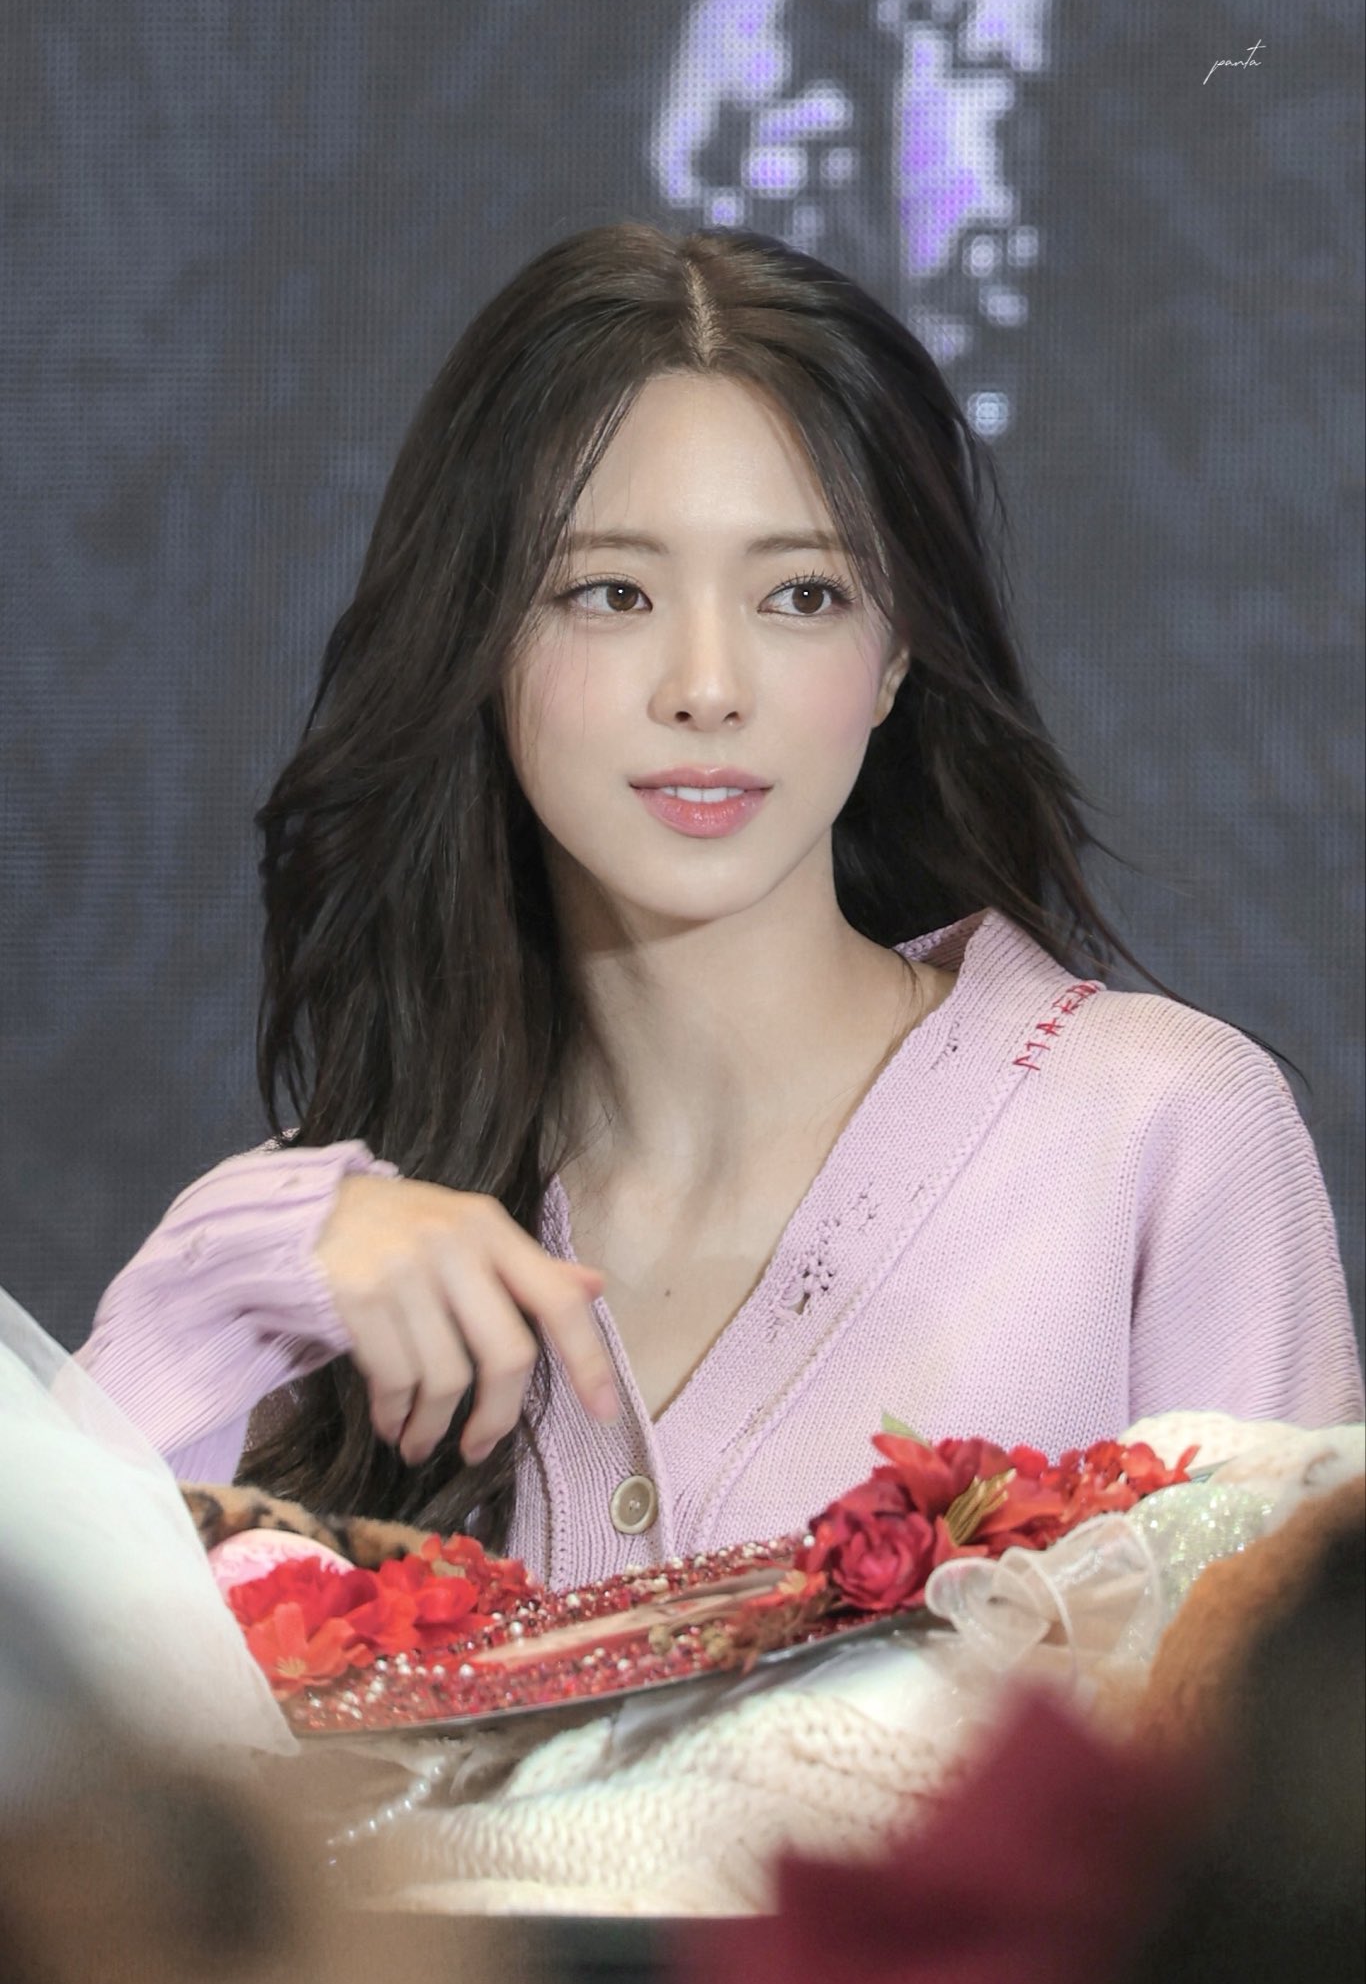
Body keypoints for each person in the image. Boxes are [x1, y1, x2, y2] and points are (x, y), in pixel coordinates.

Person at [77, 221, 1364, 1585]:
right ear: (481, 639)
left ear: (894, 654)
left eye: (801, 594)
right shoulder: (355, 1250)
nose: (706, 686)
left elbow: (1292, 1702)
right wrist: (238, 1269)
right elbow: (57, 1680)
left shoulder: (1158, 1130)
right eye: (609, 592)